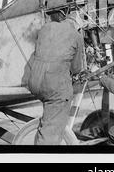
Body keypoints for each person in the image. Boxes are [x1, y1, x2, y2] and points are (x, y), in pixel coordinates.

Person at [26, 10, 85, 145]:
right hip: (54, 87)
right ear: (78, 24)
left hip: (35, 82)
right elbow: (76, 68)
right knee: (51, 132)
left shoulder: (47, 27)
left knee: (48, 118)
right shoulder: (76, 35)